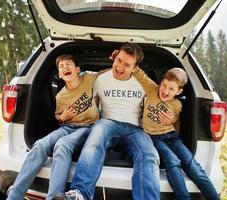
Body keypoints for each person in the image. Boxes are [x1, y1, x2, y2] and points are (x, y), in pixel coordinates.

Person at [60, 43, 161, 200]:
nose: (119, 67)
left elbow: (160, 96)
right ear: (114, 57)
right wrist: (63, 116)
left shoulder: (142, 82)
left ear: (135, 68)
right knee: (95, 139)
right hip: (108, 124)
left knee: (149, 154)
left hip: (134, 129)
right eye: (118, 60)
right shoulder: (101, 79)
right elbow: (79, 91)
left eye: (127, 65)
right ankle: (80, 193)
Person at [7, 54, 101, 200]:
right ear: (59, 75)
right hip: (68, 127)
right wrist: (63, 117)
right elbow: (58, 118)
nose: (65, 67)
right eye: (61, 66)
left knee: (62, 145)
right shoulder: (61, 96)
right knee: (39, 145)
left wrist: (120, 66)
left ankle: (53, 197)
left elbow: (104, 73)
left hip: (87, 127)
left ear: (77, 69)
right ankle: (14, 196)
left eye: (68, 64)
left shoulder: (88, 80)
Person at [132, 65, 220, 200]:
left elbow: (177, 126)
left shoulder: (177, 105)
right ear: (161, 82)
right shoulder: (152, 89)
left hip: (172, 137)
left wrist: (174, 120)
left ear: (178, 91)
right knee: (172, 161)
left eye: (171, 88)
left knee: (194, 167)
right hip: (154, 138)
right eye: (164, 85)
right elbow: (140, 75)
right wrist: (130, 64)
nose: (165, 90)